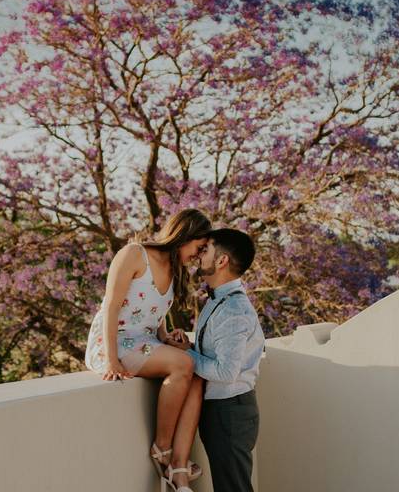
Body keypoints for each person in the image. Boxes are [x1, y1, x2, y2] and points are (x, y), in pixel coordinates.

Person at [84, 209, 211, 491]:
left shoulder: (175, 269)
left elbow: (153, 313)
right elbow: (111, 306)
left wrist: (166, 337)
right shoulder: (133, 254)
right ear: (185, 234)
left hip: (145, 342)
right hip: (114, 342)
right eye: (199, 246)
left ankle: (178, 465)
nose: (198, 255)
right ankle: (162, 448)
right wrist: (112, 360)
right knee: (183, 364)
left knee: (196, 369)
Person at [171, 228, 264, 492]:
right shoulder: (219, 300)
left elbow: (225, 372)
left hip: (229, 412)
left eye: (205, 250)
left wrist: (184, 354)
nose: (198, 255)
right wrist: (188, 346)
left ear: (222, 261)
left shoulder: (233, 308)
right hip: (224, 410)